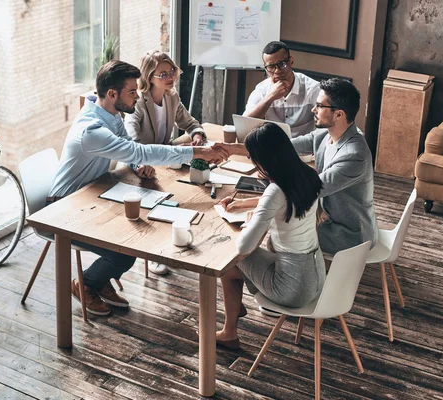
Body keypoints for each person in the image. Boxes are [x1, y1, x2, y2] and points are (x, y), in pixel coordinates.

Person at [48, 60, 227, 316]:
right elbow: (137, 149)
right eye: (132, 92)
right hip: (64, 207)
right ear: (112, 94)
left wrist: (137, 164)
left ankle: (98, 280)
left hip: (91, 196)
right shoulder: (92, 129)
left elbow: (129, 149)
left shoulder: (109, 113)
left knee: (142, 227)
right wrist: (199, 152)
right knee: (125, 249)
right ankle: (87, 282)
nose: (137, 95)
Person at [215, 122, 325, 350]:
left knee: (229, 255)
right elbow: (287, 204)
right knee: (232, 270)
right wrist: (248, 206)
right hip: (317, 278)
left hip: (292, 288)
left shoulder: (275, 190)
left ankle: (229, 329)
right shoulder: (309, 175)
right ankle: (232, 320)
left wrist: (249, 223)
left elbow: (245, 247)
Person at [124, 51, 206, 275]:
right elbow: (130, 140)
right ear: (149, 77)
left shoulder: (172, 96)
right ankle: (156, 253)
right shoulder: (138, 102)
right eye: (163, 74)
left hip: (164, 163)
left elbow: (189, 122)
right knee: (165, 203)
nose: (170, 77)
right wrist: (141, 163)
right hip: (142, 167)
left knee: (186, 198)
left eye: (172, 71)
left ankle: (167, 246)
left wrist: (196, 133)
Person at [244, 41, 320, 137]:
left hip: (303, 149)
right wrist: (270, 97)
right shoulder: (261, 90)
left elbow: (328, 124)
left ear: (291, 61)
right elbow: (245, 126)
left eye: (282, 64)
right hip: (272, 148)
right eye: (271, 67)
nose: (277, 71)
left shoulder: (313, 89)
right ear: (265, 68)